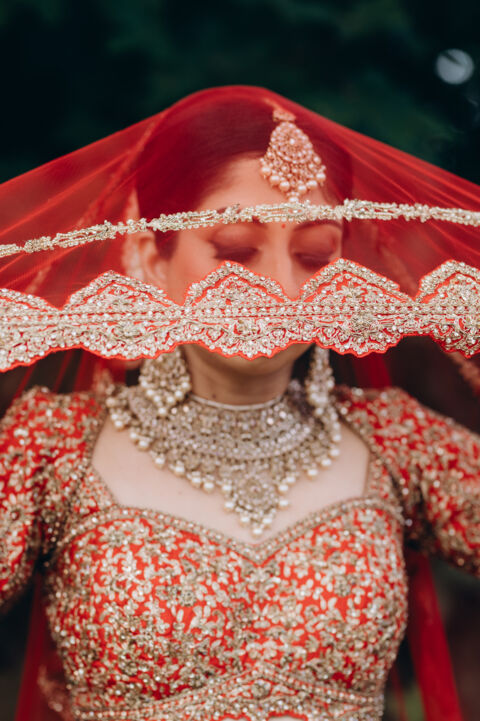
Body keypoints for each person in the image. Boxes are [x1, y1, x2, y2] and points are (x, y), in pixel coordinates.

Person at [0, 85, 479, 721]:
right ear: (150, 256)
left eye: (314, 257)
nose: (281, 288)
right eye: (234, 251)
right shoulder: (52, 450)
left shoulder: (394, 441)